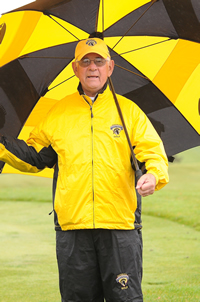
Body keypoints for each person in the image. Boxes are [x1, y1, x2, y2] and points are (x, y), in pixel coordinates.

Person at [0, 37, 169, 302]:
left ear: (110, 67)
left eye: (99, 61)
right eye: (85, 62)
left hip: (120, 227)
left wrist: (153, 175)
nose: (93, 67)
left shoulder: (129, 112)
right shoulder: (58, 113)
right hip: (72, 228)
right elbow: (35, 157)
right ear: (75, 68)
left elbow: (152, 154)